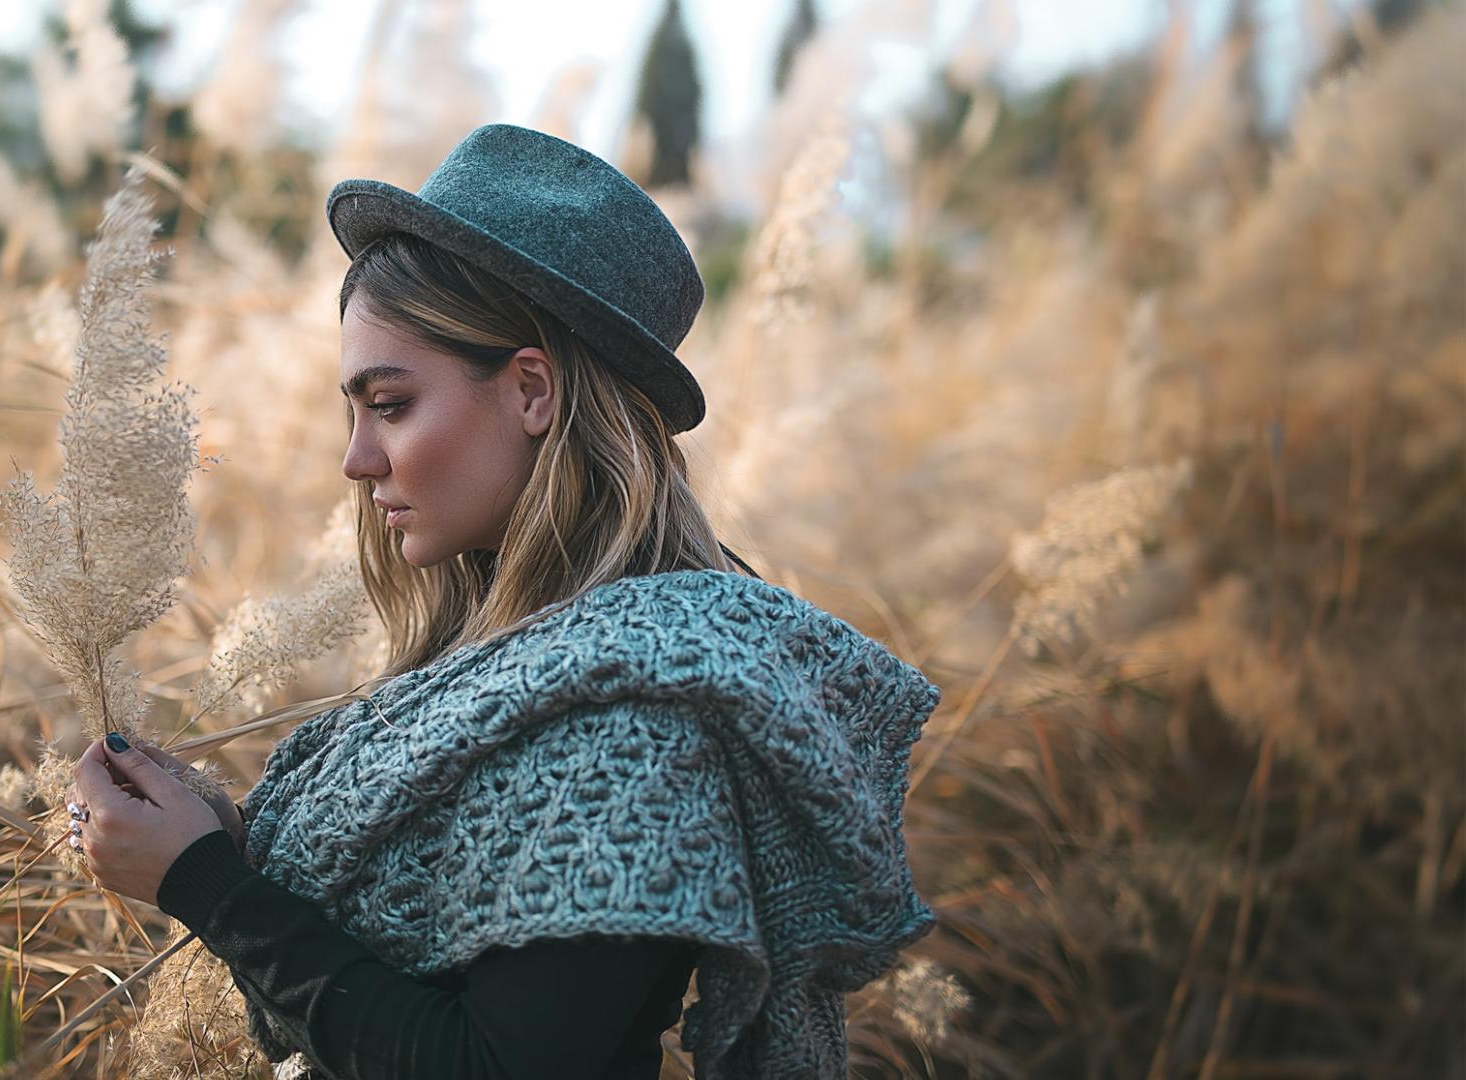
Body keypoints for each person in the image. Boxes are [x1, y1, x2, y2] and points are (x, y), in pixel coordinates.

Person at [65, 123, 943, 1080]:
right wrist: (223, 846)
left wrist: (208, 886)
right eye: (352, 411)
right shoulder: (510, 663)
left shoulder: (636, 711)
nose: (356, 460)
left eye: (390, 403)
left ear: (532, 391)